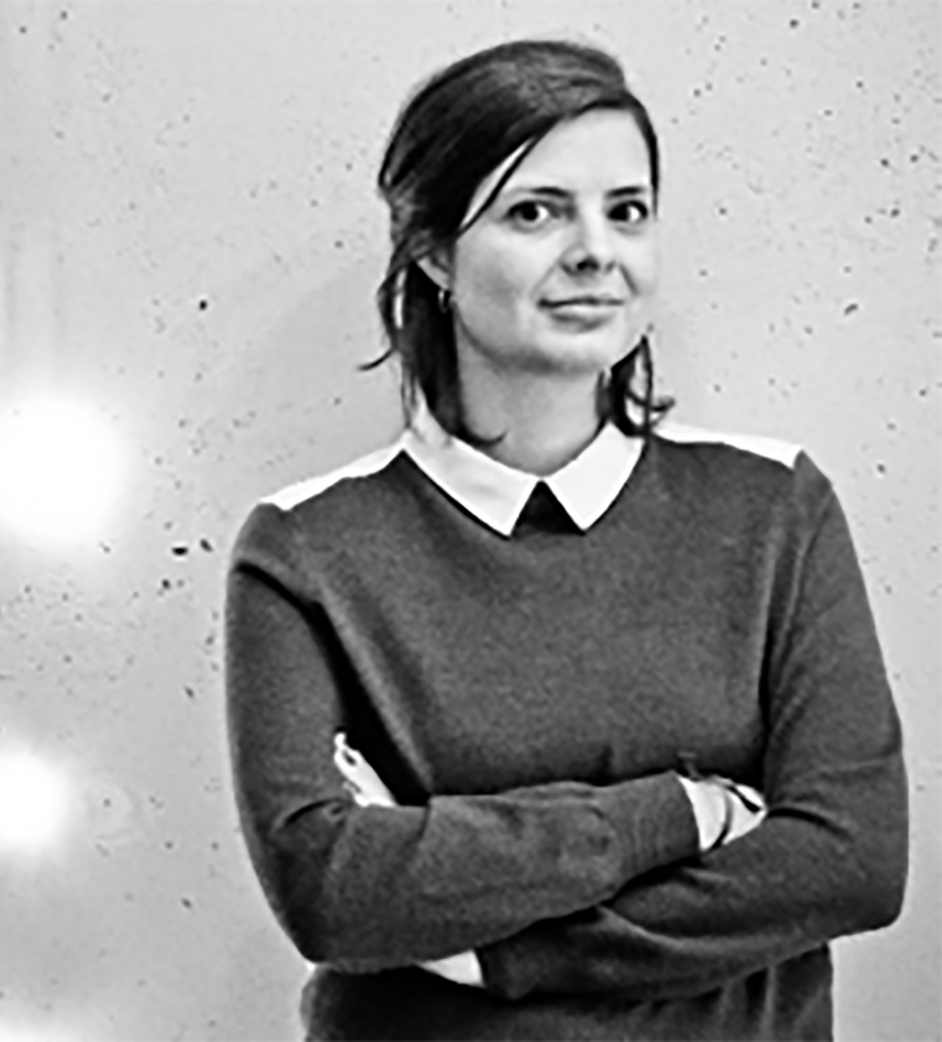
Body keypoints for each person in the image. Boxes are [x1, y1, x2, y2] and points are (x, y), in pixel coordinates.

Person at [225, 39, 908, 1041]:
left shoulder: (773, 507)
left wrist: (488, 944)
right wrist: (676, 812)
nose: (595, 251)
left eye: (625, 210)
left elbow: (851, 860)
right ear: (430, 250)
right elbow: (332, 891)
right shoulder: (305, 551)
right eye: (534, 211)